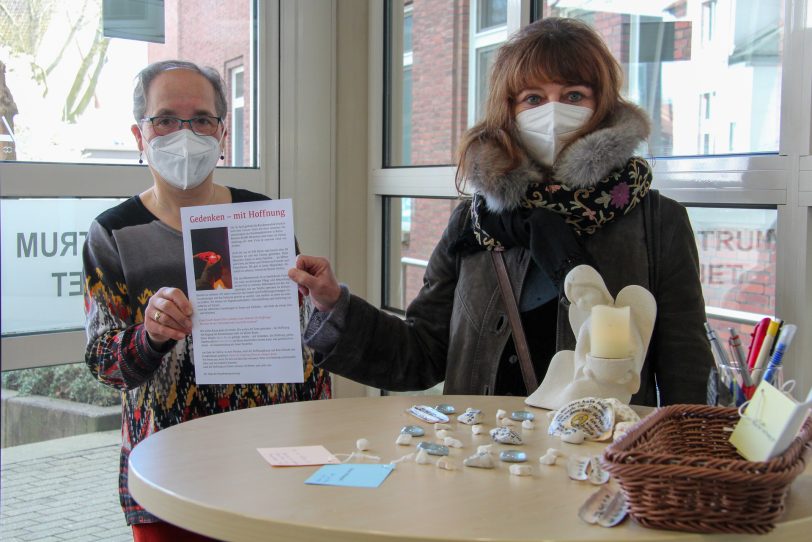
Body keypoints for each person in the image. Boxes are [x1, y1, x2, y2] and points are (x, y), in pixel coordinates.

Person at [289, 17, 712, 405]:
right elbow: (421, 354)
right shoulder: (474, 224)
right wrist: (333, 305)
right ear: (508, 112)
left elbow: (686, 374)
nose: (552, 112)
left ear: (601, 107)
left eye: (573, 95)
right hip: (484, 466)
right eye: (533, 98)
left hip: (602, 471)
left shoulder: (657, 223)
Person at [83, 60, 331, 541]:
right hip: (170, 477)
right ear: (140, 135)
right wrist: (150, 336)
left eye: (200, 119)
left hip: (273, 467)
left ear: (222, 134)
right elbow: (103, 365)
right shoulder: (114, 233)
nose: (185, 133)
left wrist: (324, 306)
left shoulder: (260, 215)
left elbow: (301, 343)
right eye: (166, 120)